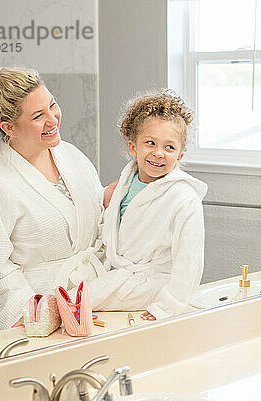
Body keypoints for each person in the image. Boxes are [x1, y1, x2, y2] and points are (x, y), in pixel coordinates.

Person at [0, 62, 106, 332]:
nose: (53, 119)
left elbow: (98, 224)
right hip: (37, 319)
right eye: (38, 116)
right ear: (9, 127)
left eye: (53, 104)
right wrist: (40, 314)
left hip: (93, 301)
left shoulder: (72, 156)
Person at [89, 90, 207, 320]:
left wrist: (165, 307)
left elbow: (189, 262)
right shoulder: (124, 183)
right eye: (150, 143)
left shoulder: (184, 199)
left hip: (153, 286)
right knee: (68, 296)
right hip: (118, 273)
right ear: (133, 147)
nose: (158, 153)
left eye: (169, 147)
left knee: (74, 300)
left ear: (180, 156)